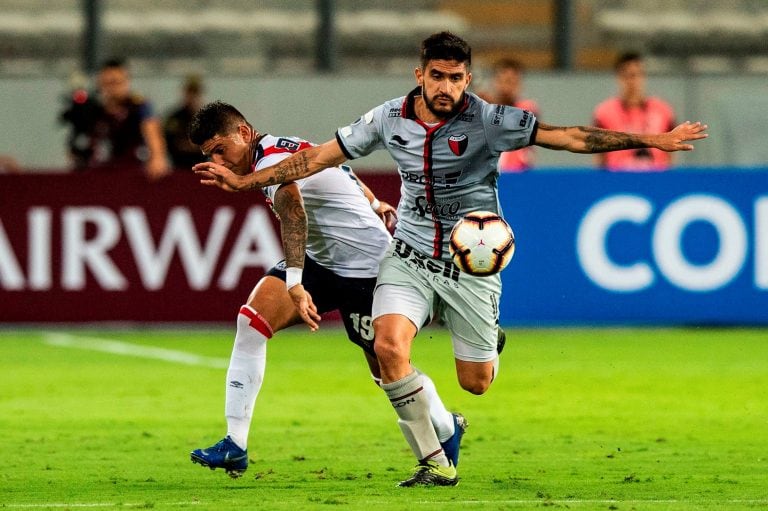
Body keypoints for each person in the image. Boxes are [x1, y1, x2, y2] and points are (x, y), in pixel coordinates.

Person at [194, 32, 708, 487]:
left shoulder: (489, 120)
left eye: (456, 78)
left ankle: (462, 366)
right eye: (436, 76)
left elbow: (570, 137)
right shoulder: (388, 116)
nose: (446, 86)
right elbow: (322, 157)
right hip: (405, 255)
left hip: (427, 260)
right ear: (420, 75)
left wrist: (651, 140)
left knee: (468, 380)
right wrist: (264, 184)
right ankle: (429, 461)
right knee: (371, 344)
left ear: (468, 79)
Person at [186, 101, 466, 480]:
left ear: (245, 133)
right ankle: (235, 444)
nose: (219, 160)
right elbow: (339, 167)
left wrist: (296, 284)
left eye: (222, 149)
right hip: (323, 261)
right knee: (251, 323)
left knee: (387, 369)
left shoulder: (271, 162)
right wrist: (373, 200)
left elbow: (294, 215)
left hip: (367, 271)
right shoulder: (283, 149)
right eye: (210, 155)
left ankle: (447, 426)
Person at [592, 52, 678, 171]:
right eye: (629, 75)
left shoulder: (663, 111)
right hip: (618, 179)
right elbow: (599, 157)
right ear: (619, 77)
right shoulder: (604, 112)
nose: (633, 81)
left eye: (638, 75)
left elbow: (670, 155)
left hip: (655, 178)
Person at [88, 58, 170, 179]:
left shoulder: (139, 106)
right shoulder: (94, 110)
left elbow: (152, 131)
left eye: (117, 82)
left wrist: (158, 157)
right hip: (101, 171)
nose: (112, 88)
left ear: (126, 81)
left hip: (134, 171)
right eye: (108, 83)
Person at [480, 58, 539, 171]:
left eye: (512, 82)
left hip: (518, 175)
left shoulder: (529, 108)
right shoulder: (483, 108)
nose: (507, 88)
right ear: (494, 82)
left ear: (520, 84)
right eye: (503, 81)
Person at [164, 74, 208, 169]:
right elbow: (167, 142)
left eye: (195, 92)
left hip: (203, 168)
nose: (192, 96)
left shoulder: (209, 118)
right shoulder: (174, 118)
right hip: (179, 168)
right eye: (190, 92)